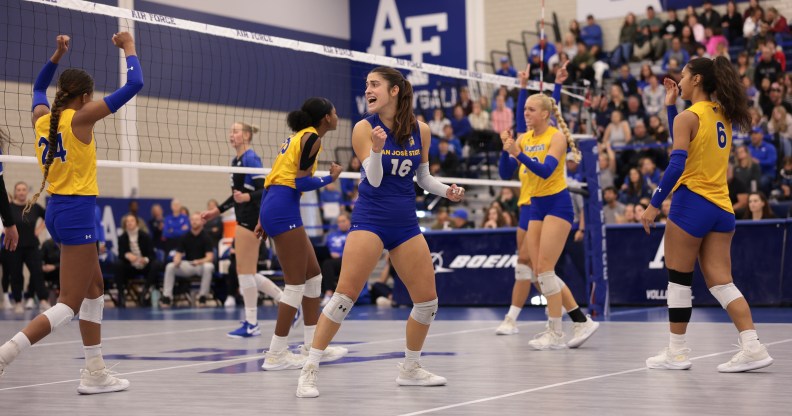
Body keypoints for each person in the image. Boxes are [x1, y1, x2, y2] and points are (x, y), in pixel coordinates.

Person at [294, 67, 465, 398]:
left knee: (428, 302)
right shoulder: (363, 128)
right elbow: (372, 180)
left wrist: (447, 192)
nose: (368, 90)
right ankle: (309, 370)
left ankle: (411, 369)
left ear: (394, 91)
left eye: (375, 85)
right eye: (366, 85)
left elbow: (424, 177)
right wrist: (375, 149)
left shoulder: (421, 130)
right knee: (344, 298)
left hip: (405, 225)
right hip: (370, 219)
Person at [0, 33, 142, 392]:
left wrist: (56, 55)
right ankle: (5, 355)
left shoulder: (41, 118)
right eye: (89, 96)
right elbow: (136, 82)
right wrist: (128, 47)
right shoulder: (82, 117)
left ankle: (94, 373)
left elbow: (37, 88)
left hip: (57, 212)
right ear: (83, 96)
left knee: (96, 289)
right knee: (68, 303)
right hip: (78, 212)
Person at [640, 58, 773, 372]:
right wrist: (671, 107)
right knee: (722, 283)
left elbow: (677, 164)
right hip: (722, 209)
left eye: (683, 76)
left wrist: (654, 203)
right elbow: (688, 137)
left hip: (692, 203)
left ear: (697, 79)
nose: (680, 81)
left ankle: (677, 351)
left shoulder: (689, 116)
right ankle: (752, 346)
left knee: (678, 280)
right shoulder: (722, 114)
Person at [498, 63, 599, 350]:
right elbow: (506, 171)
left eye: (531, 109)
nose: (525, 114)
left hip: (557, 204)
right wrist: (508, 148)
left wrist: (518, 153)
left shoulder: (556, 137)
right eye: (525, 109)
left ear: (545, 113)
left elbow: (545, 171)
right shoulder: (524, 137)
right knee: (542, 272)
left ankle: (555, 332)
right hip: (535, 205)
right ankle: (580, 321)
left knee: (544, 269)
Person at [254, 97, 347, 371]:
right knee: (294, 285)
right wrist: (331, 178)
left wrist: (262, 216)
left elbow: (274, 178)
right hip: (282, 208)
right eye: (334, 110)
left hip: (277, 204)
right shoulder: (311, 139)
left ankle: (312, 345)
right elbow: (300, 181)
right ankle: (276, 354)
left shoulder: (299, 138)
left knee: (314, 276)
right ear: (326, 118)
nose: (337, 114)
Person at [201, 121, 281, 338]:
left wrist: (247, 197)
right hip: (242, 218)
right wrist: (216, 211)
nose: (231, 135)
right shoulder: (235, 160)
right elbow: (236, 196)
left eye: (235, 131)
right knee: (247, 273)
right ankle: (285, 305)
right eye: (231, 131)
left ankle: (253, 322)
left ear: (246, 135)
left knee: (245, 273)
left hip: (252, 220)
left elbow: (266, 189)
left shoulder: (251, 158)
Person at [7, 182, 49, 313]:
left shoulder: (34, 207)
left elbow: (48, 216)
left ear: (27, 192)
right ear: (15, 192)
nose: (21, 192)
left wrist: (39, 229)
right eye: (18, 190)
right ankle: (18, 302)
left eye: (23, 189)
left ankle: (43, 300)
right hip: (14, 247)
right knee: (16, 275)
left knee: (37, 273)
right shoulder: (8, 208)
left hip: (32, 246)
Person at [160, 213, 215, 307]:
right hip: (189, 265)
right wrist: (177, 260)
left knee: (209, 266)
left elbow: (210, 257)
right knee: (170, 266)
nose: (194, 222)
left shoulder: (207, 237)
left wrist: (199, 261)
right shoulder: (184, 237)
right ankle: (167, 297)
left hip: (201, 266)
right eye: (192, 220)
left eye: (196, 220)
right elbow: (178, 253)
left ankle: (202, 297)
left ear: (201, 222)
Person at [320, 213, 351, 306]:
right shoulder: (331, 235)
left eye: (343, 221)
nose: (341, 224)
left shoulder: (352, 234)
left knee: (327, 264)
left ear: (349, 221)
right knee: (320, 263)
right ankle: (318, 293)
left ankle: (329, 293)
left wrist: (340, 254)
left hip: (346, 260)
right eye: (339, 222)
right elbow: (325, 249)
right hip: (331, 260)